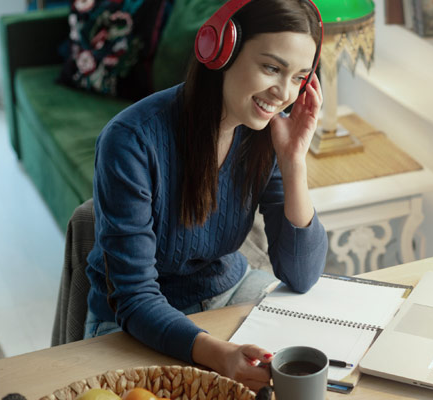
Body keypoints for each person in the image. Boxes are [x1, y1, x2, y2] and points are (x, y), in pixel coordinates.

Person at [82, 0, 328, 391]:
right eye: (271, 68)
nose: (284, 93)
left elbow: (302, 275)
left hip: (228, 293)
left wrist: (294, 161)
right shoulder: (130, 140)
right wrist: (219, 356)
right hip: (136, 322)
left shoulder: (265, 132)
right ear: (221, 50)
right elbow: (133, 297)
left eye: (299, 78)